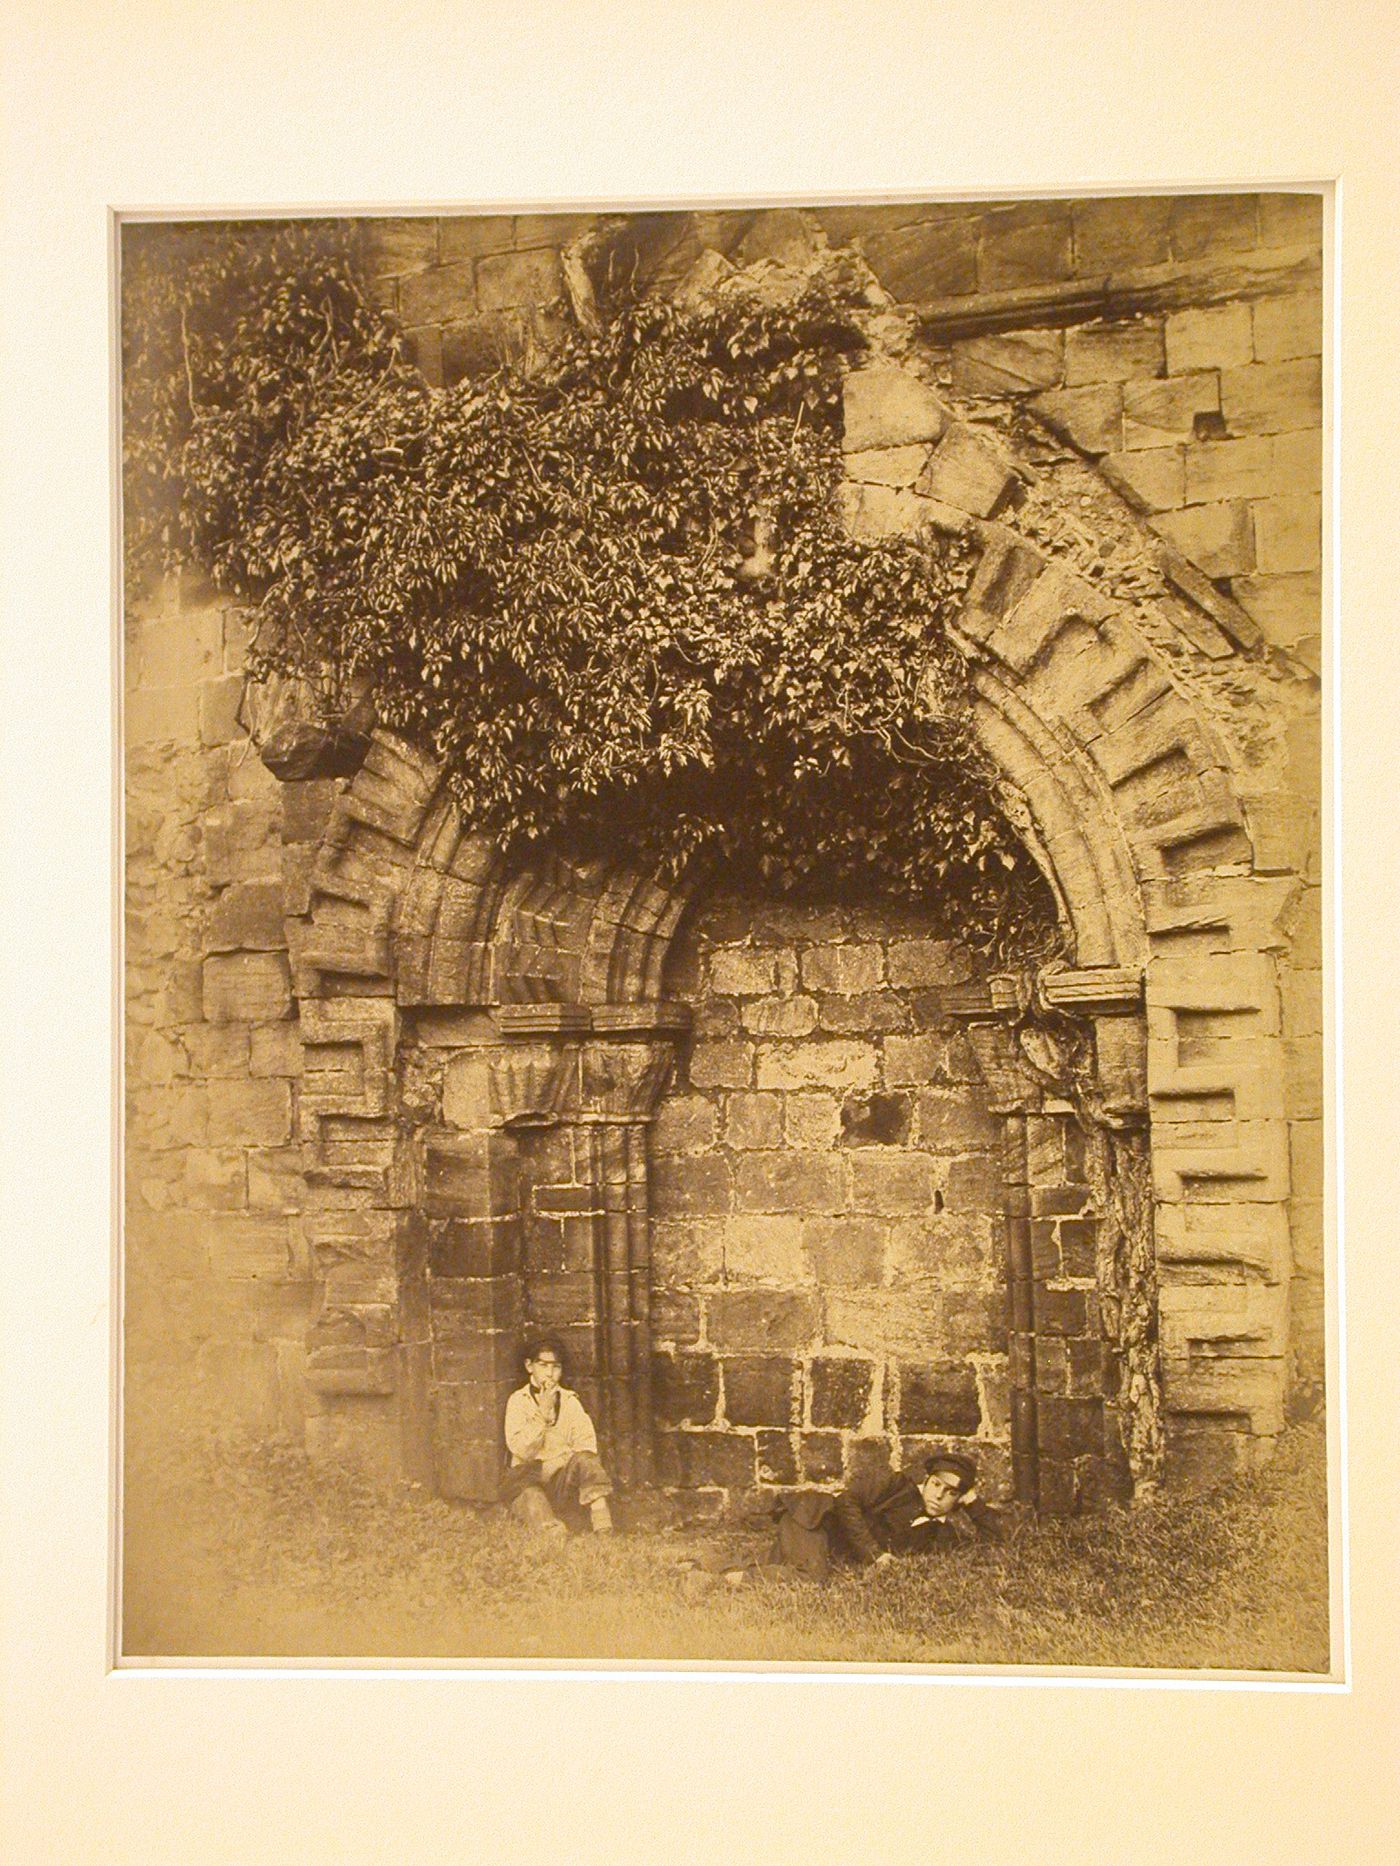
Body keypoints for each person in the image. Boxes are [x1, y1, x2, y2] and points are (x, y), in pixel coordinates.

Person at [766, 1449, 1000, 1582]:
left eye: (951, 1493)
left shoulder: (942, 1535)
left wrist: (973, 1503)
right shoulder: (898, 1486)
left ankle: (740, 1570)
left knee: (777, 1566)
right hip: (814, 1518)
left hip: (826, 1547)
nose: (938, 1496)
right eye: (936, 1484)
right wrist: (875, 1555)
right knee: (811, 1578)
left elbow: (994, 1542)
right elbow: (846, 1500)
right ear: (926, 1481)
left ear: (958, 1499)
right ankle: (730, 1578)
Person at [500, 1333, 614, 1538]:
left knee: (587, 1461)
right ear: (529, 1366)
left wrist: (557, 1463)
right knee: (532, 1497)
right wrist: (542, 1415)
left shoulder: (570, 1401)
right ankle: (553, 1530)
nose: (550, 1374)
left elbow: (586, 1446)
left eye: (556, 1367)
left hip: (561, 1481)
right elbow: (521, 1450)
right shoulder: (518, 1401)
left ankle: (603, 1525)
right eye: (543, 1365)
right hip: (529, 1481)